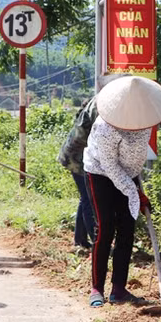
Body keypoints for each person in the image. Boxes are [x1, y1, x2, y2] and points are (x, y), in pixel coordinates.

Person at [83, 75, 161, 308]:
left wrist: (136, 190)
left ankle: (118, 289)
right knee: (104, 230)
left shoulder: (146, 121)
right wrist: (133, 191)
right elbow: (110, 165)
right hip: (100, 174)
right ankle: (96, 289)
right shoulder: (104, 127)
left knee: (127, 230)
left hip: (129, 176)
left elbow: (135, 159)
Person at [57, 96, 99, 248]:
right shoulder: (97, 111)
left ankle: (80, 240)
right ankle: (96, 241)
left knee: (85, 198)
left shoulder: (92, 107)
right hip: (76, 159)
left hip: (74, 156)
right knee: (89, 198)